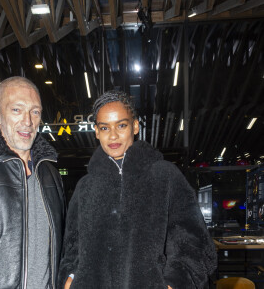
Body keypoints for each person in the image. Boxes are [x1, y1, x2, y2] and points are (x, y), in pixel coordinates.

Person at [58, 90, 217, 289]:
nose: (113, 135)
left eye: (121, 125)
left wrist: (175, 282)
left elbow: (193, 240)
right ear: (96, 131)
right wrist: (70, 278)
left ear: (135, 126)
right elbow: (72, 246)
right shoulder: (85, 187)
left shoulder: (165, 176)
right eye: (105, 128)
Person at [0, 76, 66, 288]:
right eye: (17, 110)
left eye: (35, 111)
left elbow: (61, 247)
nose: (27, 121)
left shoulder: (51, 174)